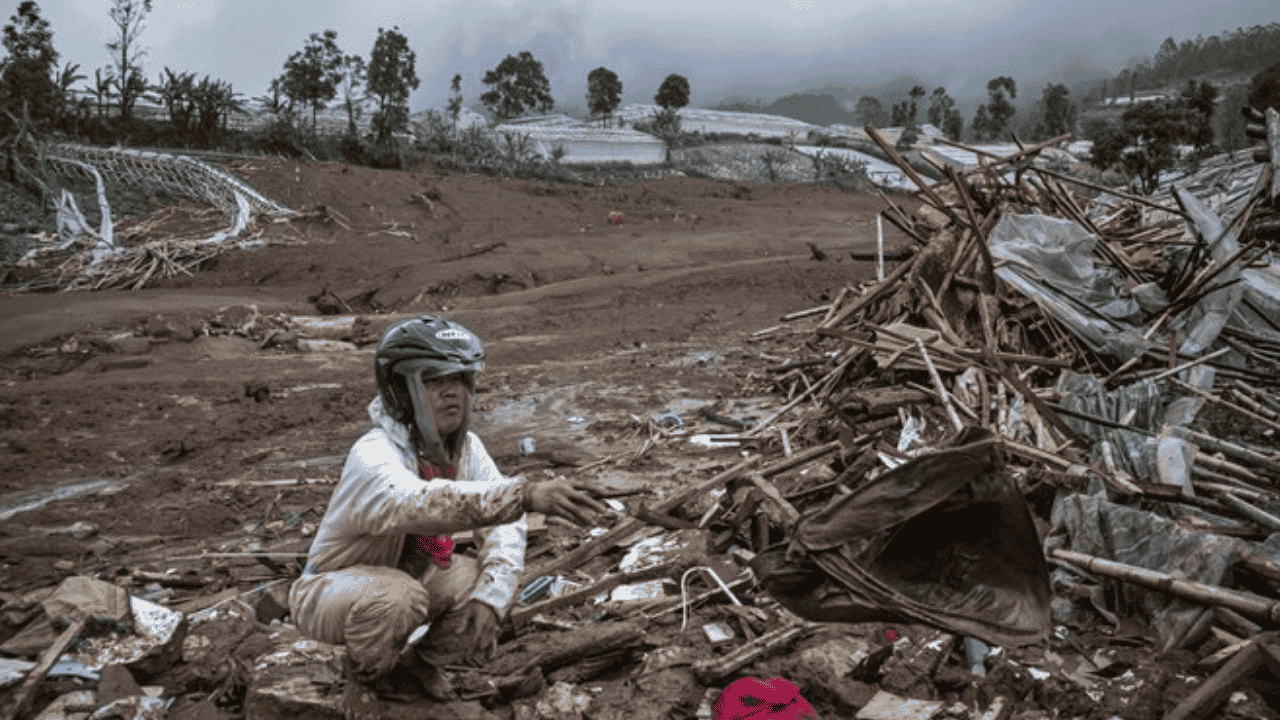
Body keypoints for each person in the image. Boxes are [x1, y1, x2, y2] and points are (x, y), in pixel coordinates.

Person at [288, 315, 606, 717]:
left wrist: (491, 599)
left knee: (480, 581)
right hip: (330, 590)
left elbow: (505, 530)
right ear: (402, 389)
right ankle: (364, 676)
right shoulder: (372, 453)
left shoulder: (465, 449)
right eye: (435, 381)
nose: (452, 392)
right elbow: (416, 502)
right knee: (397, 597)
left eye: (459, 379)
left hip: (406, 577)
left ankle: (418, 665)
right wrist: (522, 494)